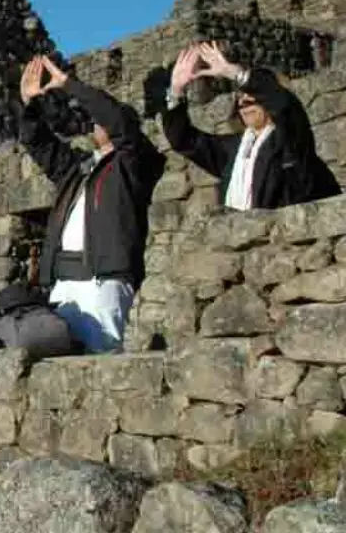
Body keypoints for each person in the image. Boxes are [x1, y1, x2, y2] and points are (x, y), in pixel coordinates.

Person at [18, 55, 166, 353]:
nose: (94, 122)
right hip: (63, 281)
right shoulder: (78, 168)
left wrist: (70, 85)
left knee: (100, 356)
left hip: (104, 280)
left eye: (100, 118)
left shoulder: (133, 163)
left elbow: (120, 123)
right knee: (57, 363)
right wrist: (29, 106)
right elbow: (39, 143)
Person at [163, 40, 340, 211]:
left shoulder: (290, 141)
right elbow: (184, 140)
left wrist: (235, 73)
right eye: (240, 98)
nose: (244, 102)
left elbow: (285, 106)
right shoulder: (234, 149)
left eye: (251, 97)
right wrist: (176, 91)